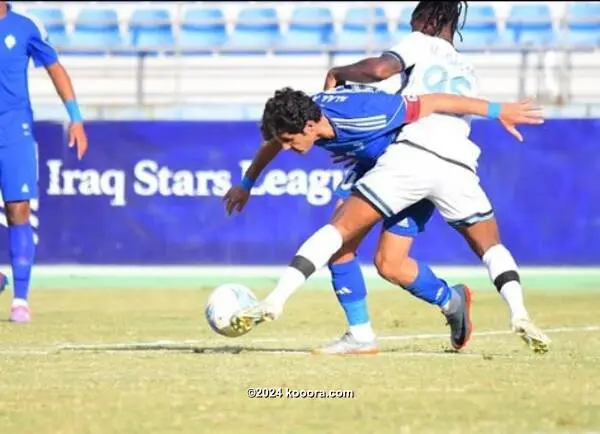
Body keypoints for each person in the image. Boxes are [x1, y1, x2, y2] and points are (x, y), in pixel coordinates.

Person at [226, 83, 544, 353]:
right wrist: (246, 182)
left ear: (309, 127)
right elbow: (281, 133)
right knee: (385, 264)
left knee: (344, 238)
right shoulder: (308, 114)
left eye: (288, 141)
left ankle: (285, 303)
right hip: (375, 170)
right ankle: (439, 305)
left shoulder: (372, 111)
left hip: (409, 165)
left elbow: (436, 101)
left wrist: (497, 110)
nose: (286, 148)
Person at [0, 1, 88, 322]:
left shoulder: (26, 25)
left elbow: (55, 67)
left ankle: (20, 300)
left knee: (18, 208)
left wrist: (75, 118)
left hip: (14, 131)